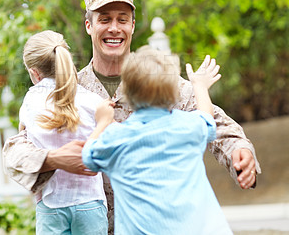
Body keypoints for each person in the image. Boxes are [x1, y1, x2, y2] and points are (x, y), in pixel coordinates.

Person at [3, 0, 261, 234]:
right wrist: (53, 158)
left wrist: (238, 149)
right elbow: (15, 151)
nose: (114, 28)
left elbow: (211, 119)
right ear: (89, 26)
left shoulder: (158, 82)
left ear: (133, 26)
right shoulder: (66, 89)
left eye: (122, 19)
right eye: (104, 19)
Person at [82, 48, 233, 235]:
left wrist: (103, 122)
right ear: (173, 92)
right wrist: (199, 86)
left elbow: (88, 157)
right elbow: (208, 121)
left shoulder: (116, 139)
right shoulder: (189, 127)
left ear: (127, 92)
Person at [18, 30, 108, 234]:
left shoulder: (31, 101)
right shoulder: (91, 100)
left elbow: (22, 142)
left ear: (34, 72)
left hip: (51, 204)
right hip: (90, 202)